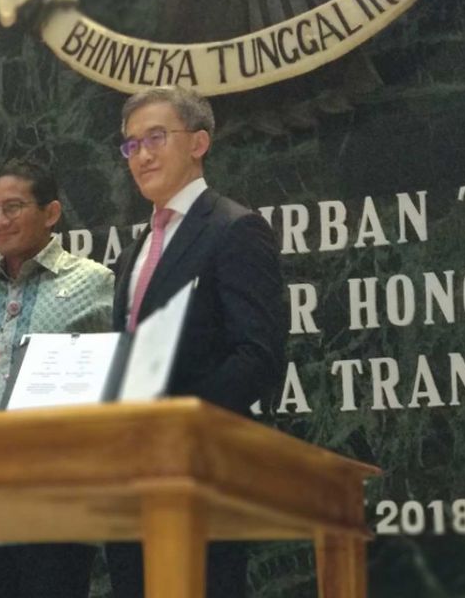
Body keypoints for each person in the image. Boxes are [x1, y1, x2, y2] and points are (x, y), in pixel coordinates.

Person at [104, 87, 286, 598]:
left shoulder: (235, 228)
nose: (141, 155)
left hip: (203, 467)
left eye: (156, 137)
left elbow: (259, 354)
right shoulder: (135, 249)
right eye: (131, 145)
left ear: (200, 141)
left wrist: (179, 421)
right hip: (132, 473)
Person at [0, 158, 114, 598]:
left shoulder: (98, 284)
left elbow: (120, 386)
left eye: (13, 207)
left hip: (54, 505)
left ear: (51, 213)